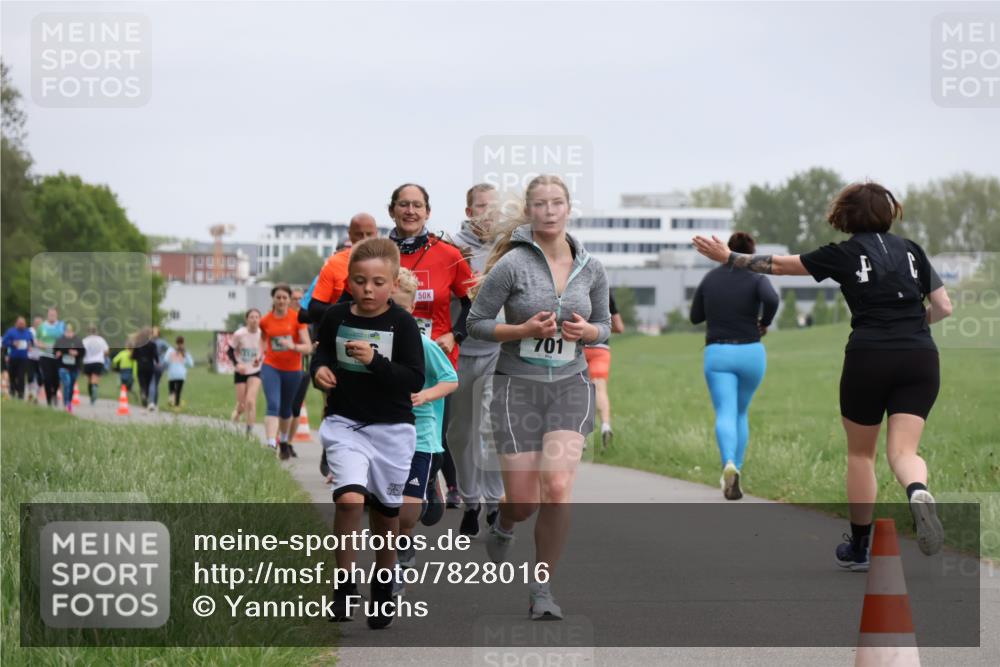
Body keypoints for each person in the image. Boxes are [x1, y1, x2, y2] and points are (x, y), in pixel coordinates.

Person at [692, 181, 953, 570]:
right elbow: (944, 307)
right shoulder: (912, 250)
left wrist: (730, 258)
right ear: (889, 213)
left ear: (845, 216)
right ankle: (917, 492)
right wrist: (915, 325)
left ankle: (860, 548)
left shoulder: (844, 253)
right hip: (920, 356)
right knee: (904, 452)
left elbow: (779, 266)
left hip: (869, 357)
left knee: (861, 454)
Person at [467, 174, 611, 620]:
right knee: (524, 501)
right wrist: (523, 330)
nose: (549, 211)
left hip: (570, 383)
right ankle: (504, 521)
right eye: (541, 204)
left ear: (568, 208)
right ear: (529, 212)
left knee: (558, 487)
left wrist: (588, 332)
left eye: (557, 203)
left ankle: (542, 589)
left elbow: (604, 325)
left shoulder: (592, 267)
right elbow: (476, 322)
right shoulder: (512, 264)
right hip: (517, 387)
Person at [311, 238, 425, 629]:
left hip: (392, 430)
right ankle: (343, 585)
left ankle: (383, 580)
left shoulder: (403, 324)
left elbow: (413, 378)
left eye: (378, 282)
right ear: (349, 282)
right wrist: (318, 373)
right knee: (349, 502)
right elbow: (323, 354)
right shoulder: (336, 317)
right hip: (346, 424)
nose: (368, 290)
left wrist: (376, 361)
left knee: (385, 514)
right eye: (360, 281)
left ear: (393, 284)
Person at [387, 183, 474, 510]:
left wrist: (455, 335)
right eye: (403, 204)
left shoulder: (448, 254)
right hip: (386, 356)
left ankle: (429, 481)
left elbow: (473, 305)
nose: (410, 211)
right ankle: (396, 503)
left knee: (433, 433)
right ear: (392, 209)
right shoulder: (378, 253)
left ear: (428, 212)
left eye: (417, 205)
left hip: (435, 358)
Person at [689, 232, 779, 500]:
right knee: (741, 412)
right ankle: (737, 469)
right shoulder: (757, 277)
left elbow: (695, 317)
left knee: (725, 412)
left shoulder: (710, 279)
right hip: (751, 352)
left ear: (726, 250)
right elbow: (772, 299)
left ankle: (728, 463)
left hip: (718, 353)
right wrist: (765, 322)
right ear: (751, 253)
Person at [390, 268, 459, 590]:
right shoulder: (373, 343)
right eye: (389, 307)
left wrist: (425, 395)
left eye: (402, 310)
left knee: (406, 516)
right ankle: (395, 565)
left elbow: (450, 379)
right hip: (386, 435)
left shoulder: (423, 344)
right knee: (388, 508)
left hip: (422, 436)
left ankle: (430, 485)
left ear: (412, 310)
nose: (395, 315)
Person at [448, 183, 506, 536]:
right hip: (459, 351)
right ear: (469, 212)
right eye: (482, 208)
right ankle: (471, 501)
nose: (489, 215)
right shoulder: (452, 248)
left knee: (492, 426)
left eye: (495, 208)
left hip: (500, 349)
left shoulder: (512, 246)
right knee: (460, 434)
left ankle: (494, 503)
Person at [259, 284, 312, 459]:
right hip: (271, 367)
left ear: (289, 300)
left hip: (293, 370)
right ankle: (270, 444)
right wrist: (260, 355)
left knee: (286, 409)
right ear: (273, 299)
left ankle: (283, 441)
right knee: (273, 404)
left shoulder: (297, 319)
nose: (281, 300)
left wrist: (293, 346)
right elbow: (263, 339)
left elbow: (308, 347)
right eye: (278, 297)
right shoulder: (265, 321)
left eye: (284, 298)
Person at [304, 213, 380, 324]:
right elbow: (315, 309)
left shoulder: (388, 262)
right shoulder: (334, 263)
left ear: (376, 234)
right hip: (343, 331)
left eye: (369, 234)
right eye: (359, 234)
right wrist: (347, 312)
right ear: (350, 235)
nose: (364, 239)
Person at [583, 289, 626, 451]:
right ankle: (606, 425)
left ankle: (583, 437)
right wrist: (602, 329)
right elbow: (619, 327)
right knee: (600, 389)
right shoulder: (606, 292)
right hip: (601, 348)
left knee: (581, 391)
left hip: (579, 347)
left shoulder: (573, 284)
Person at [230, 308, 264, 437]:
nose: (254, 320)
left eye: (257, 317)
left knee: (251, 401)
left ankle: (249, 433)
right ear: (247, 319)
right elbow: (229, 351)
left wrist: (259, 359)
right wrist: (237, 364)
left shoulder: (262, 334)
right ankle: (236, 415)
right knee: (242, 405)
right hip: (241, 371)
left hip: (256, 370)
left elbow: (265, 350)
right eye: (252, 317)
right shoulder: (239, 334)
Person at [36, 308, 66, 406]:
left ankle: (54, 393)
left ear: (57, 315)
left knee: (56, 379)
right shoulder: (42, 326)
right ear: (47, 315)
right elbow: (37, 340)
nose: (52, 316)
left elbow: (66, 339)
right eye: (50, 314)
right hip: (45, 355)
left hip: (58, 356)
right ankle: (49, 400)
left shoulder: (61, 325)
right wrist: (42, 346)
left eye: (54, 314)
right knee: (47, 378)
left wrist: (61, 350)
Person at [54, 323, 84, 413]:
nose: (69, 333)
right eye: (67, 331)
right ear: (64, 332)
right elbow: (55, 350)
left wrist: (76, 353)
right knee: (67, 383)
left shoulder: (78, 341)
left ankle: (68, 402)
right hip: (62, 366)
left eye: (70, 331)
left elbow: (82, 352)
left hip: (74, 367)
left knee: (71, 385)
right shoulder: (60, 340)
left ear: (73, 332)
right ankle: (66, 403)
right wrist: (66, 351)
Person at [2, 317, 34, 400]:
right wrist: (12, 343)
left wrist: (30, 345)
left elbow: (31, 341)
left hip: (23, 359)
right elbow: (4, 342)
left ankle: (21, 395)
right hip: (13, 358)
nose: (22, 325)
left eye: (23, 324)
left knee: (21, 376)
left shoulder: (28, 332)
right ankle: (12, 392)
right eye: (20, 323)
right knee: (12, 376)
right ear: (16, 323)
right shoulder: (11, 331)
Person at [162, 336, 194, 408]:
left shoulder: (170, 350)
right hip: (181, 374)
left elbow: (165, 360)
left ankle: (171, 399)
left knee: (172, 390)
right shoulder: (185, 352)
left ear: (175, 342)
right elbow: (191, 364)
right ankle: (176, 405)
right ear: (183, 343)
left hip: (172, 374)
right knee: (178, 391)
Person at [81, 325, 110, 406]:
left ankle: (91, 396)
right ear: (96, 332)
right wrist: (103, 356)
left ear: (88, 332)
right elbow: (107, 351)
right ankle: (95, 387)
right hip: (98, 361)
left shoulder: (84, 340)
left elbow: (81, 352)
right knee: (95, 378)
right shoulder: (101, 340)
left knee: (89, 380)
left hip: (87, 362)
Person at [132, 327, 159, 410]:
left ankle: (143, 394)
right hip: (150, 366)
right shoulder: (153, 344)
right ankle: (145, 396)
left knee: (142, 383)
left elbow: (133, 356)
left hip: (140, 366)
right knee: (148, 383)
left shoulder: (137, 344)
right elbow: (156, 356)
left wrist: (138, 358)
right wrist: (157, 362)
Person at [148, 326, 170, 410]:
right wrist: (164, 359)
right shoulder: (162, 342)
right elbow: (170, 350)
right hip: (159, 365)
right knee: (156, 384)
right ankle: (155, 403)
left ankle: (151, 403)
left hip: (151, 365)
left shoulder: (148, 342)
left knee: (152, 383)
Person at [27, 316, 43, 402]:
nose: (38, 324)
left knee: (40, 378)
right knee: (30, 376)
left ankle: (36, 395)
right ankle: (30, 392)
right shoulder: (30, 331)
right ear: (34, 323)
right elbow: (28, 340)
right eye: (37, 322)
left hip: (41, 357)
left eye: (40, 322)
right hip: (31, 357)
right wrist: (29, 345)